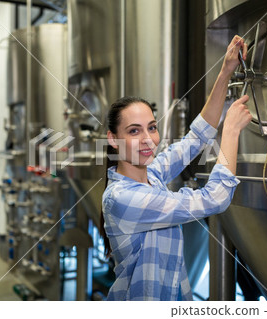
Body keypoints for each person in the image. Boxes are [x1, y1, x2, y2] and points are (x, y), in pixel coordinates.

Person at [100, 35, 252, 301]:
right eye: (134, 131)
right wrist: (230, 132)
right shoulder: (123, 198)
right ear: (113, 139)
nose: (148, 140)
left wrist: (225, 71)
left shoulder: (152, 177)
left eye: (152, 127)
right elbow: (214, 199)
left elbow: (196, 138)